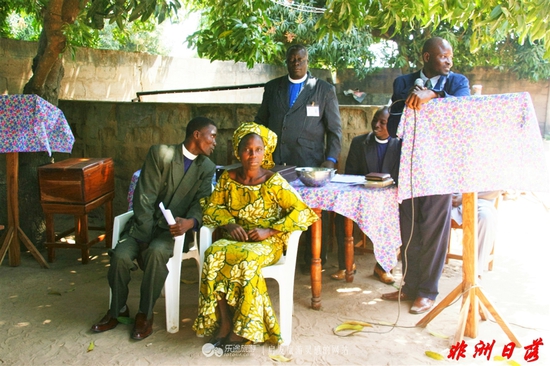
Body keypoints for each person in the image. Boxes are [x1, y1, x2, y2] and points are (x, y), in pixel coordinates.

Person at [193, 122, 318, 349]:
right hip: (236, 239)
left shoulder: (273, 182)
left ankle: (243, 330)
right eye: (247, 150)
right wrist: (229, 224)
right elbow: (212, 208)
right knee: (212, 255)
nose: (253, 155)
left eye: (258, 150)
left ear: (265, 152)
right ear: (238, 152)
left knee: (247, 261)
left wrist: (269, 231)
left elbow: (303, 211)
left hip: (267, 243)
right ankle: (225, 322)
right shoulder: (227, 179)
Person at [91, 117, 218, 340]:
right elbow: (144, 196)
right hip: (143, 224)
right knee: (120, 256)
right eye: (212, 135)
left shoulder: (206, 167)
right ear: (197, 135)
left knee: (157, 252)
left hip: (172, 231)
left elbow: (202, 201)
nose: (215, 142)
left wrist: (191, 223)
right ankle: (117, 310)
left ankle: (145, 314)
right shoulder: (160, 153)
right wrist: (143, 235)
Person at [382, 37, 471, 314]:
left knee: (433, 230)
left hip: (439, 169)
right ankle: (409, 286)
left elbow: (464, 112)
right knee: (409, 229)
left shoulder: (457, 83)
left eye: (450, 56)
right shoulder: (402, 82)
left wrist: (435, 96)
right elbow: (395, 122)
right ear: (426, 57)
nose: (449, 61)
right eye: (443, 56)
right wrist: (414, 95)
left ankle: (427, 292)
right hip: (407, 166)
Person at [255, 44, 342, 268]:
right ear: (286, 61)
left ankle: (314, 258)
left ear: (307, 61)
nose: (296, 63)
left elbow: (334, 131)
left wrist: (330, 161)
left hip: (309, 164)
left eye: (300, 59)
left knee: (311, 213)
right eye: (292, 59)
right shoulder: (273, 87)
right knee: (276, 209)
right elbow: (261, 123)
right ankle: (277, 255)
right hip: (276, 163)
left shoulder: (323, 89)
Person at [331, 107, 401, 284]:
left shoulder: (401, 145)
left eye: (383, 123)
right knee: (341, 214)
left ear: (392, 125)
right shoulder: (359, 142)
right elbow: (350, 174)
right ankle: (346, 264)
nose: (376, 125)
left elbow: (401, 178)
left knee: (392, 218)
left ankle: (382, 267)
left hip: (388, 201)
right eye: (375, 120)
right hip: (361, 196)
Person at [451, 191, 500, 277]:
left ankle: (475, 273)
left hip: (480, 200)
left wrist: (465, 197)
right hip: (452, 198)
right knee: (433, 213)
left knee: (485, 217)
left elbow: (495, 193)